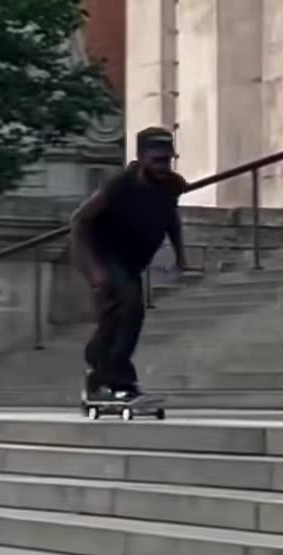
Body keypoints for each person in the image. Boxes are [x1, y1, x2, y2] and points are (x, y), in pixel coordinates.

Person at [70, 126, 188, 402]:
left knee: (126, 317)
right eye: (156, 160)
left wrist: (181, 254)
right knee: (129, 303)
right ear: (141, 158)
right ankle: (120, 377)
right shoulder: (120, 185)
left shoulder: (172, 185)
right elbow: (79, 220)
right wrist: (96, 270)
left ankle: (98, 376)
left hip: (131, 260)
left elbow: (171, 218)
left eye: (167, 160)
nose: (162, 167)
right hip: (101, 251)